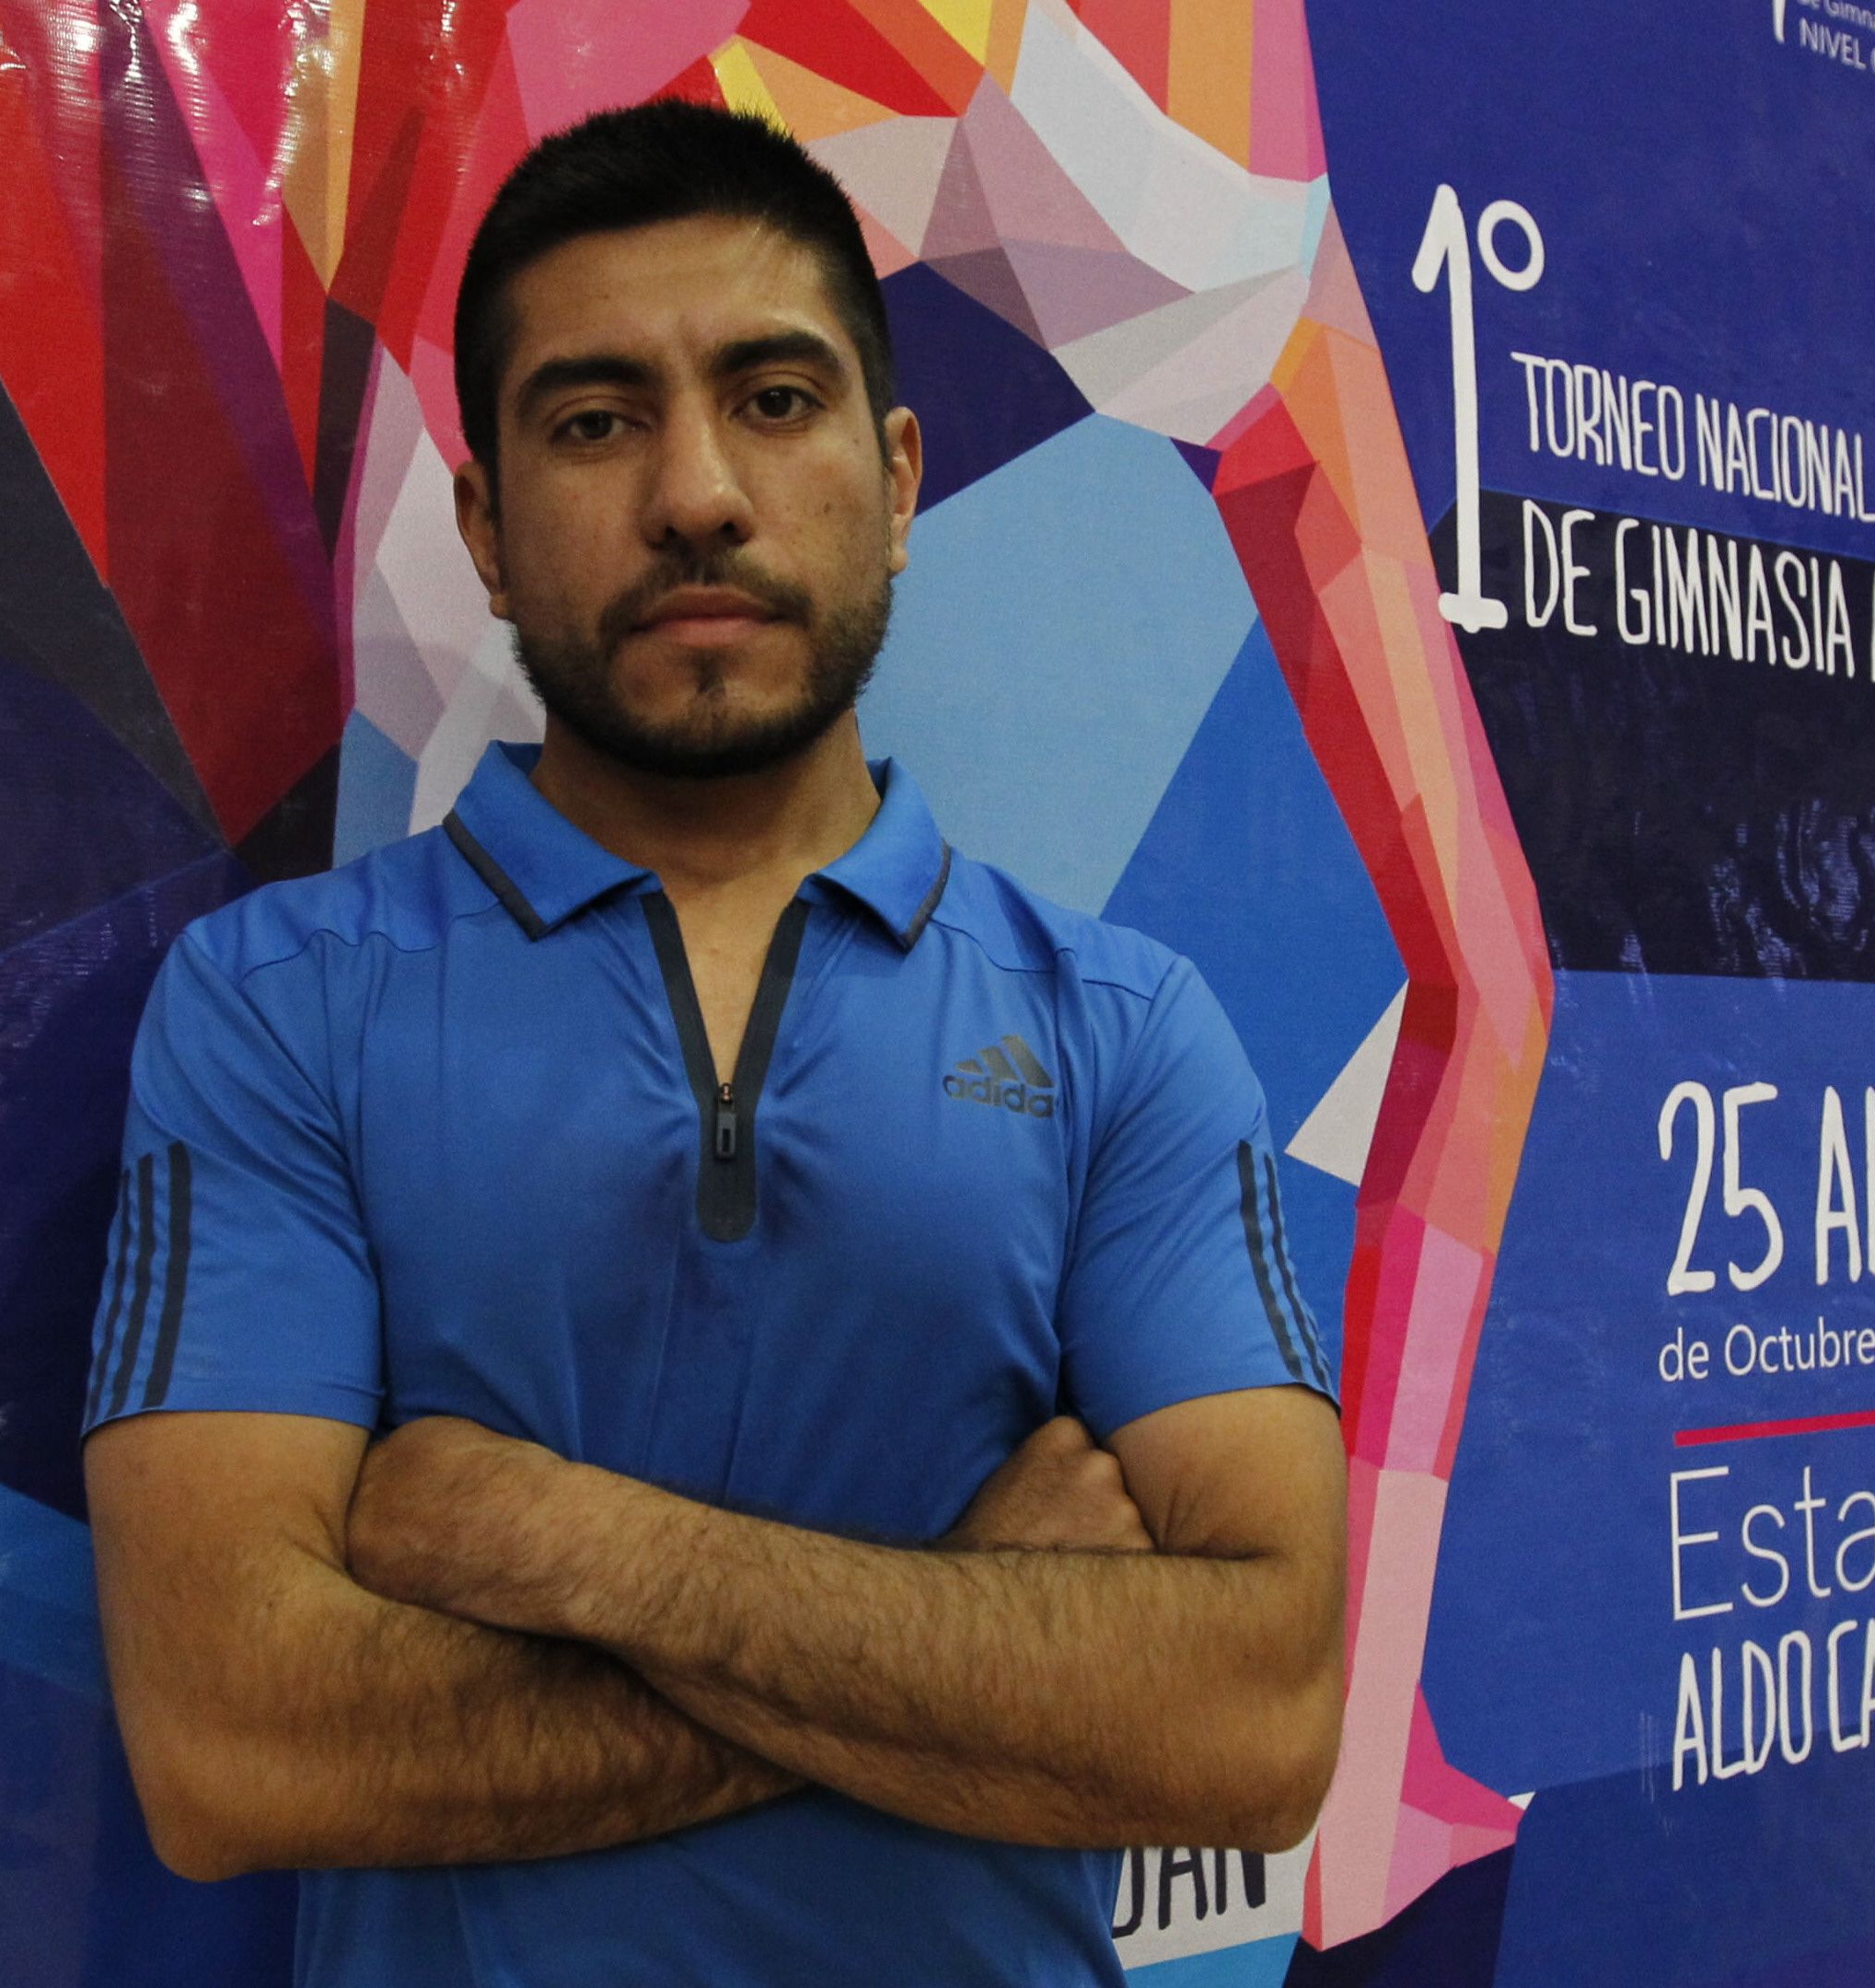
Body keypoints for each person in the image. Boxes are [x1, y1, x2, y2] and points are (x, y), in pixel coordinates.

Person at [81, 100, 1345, 1987]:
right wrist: (979, 1631)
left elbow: (1253, 1730)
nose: (696, 493)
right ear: (486, 531)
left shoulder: (1119, 1030)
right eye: (596, 422)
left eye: (773, 399)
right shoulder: (280, 1006)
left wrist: (560, 1541)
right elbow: (237, 1750)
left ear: (897, 481)